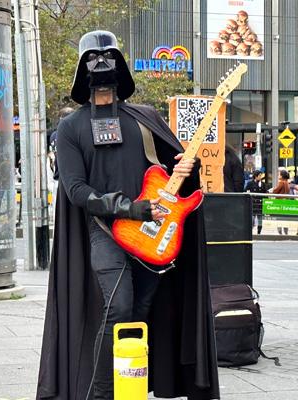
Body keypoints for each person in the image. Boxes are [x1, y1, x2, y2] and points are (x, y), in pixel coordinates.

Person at [36, 30, 219, 400]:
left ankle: (130, 391)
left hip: (153, 234)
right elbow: (76, 190)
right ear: (82, 72)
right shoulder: (71, 127)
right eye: (94, 59)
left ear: (120, 67)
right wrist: (129, 209)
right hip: (106, 231)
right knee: (118, 307)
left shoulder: (144, 118)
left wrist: (189, 168)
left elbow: (175, 178)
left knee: (139, 313)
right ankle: (101, 395)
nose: (102, 67)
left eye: (109, 59)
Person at [272, 169, 291, 235]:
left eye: (279, 174)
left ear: (282, 176)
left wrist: (270, 191)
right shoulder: (287, 183)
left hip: (279, 201)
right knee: (285, 217)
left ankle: (280, 232)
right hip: (286, 201)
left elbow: (275, 191)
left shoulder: (281, 182)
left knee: (279, 217)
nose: (278, 176)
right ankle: (286, 232)